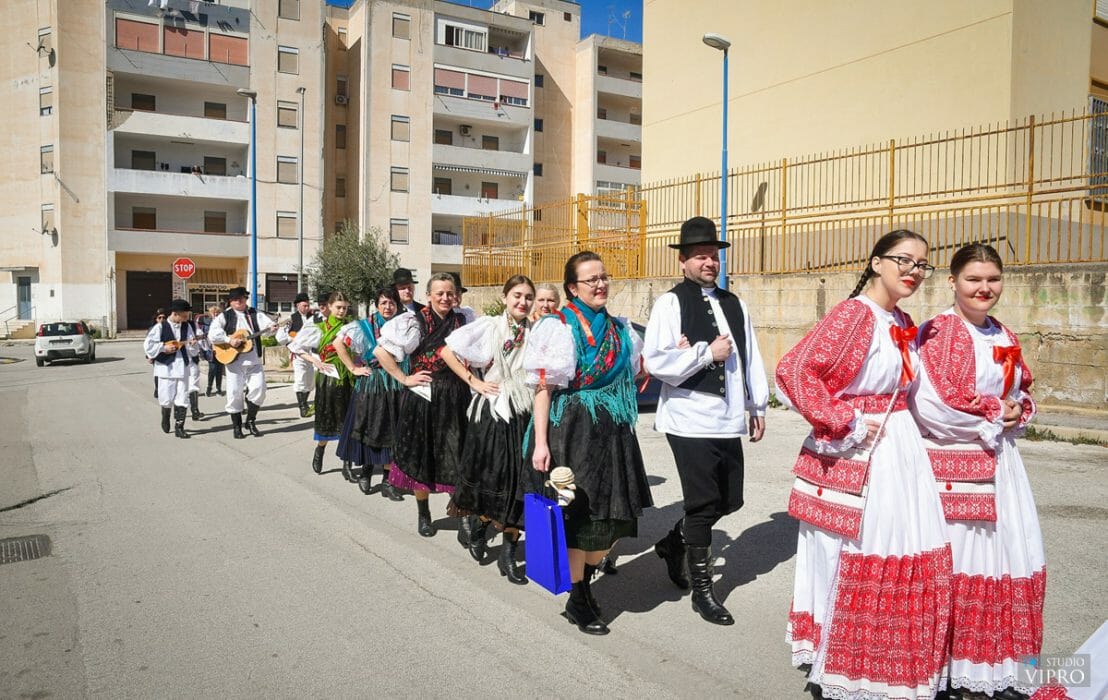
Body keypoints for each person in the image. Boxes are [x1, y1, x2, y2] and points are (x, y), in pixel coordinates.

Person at [775, 230, 952, 699]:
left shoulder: (902, 320)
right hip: (863, 448)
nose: (913, 271)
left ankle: (884, 656)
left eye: (922, 264)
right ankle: (844, 661)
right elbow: (794, 371)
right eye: (903, 260)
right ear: (876, 263)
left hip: (901, 448)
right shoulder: (855, 313)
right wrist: (843, 419)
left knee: (903, 546)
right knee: (862, 548)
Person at [910, 243, 1043, 700]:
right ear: (952, 282)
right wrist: (993, 414)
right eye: (973, 279)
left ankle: (996, 669)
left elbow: (1022, 387)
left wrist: (1018, 409)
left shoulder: (1003, 333)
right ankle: (952, 670)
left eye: (993, 279)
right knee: (964, 563)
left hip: (1002, 463)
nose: (984, 288)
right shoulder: (938, 332)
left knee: (1007, 557)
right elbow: (931, 405)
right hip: (955, 465)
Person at [642, 216, 769, 626]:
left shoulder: (735, 303)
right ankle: (702, 591)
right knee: (701, 504)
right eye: (700, 256)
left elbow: (750, 355)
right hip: (688, 419)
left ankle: (672, 543)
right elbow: (656, 361)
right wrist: (704, 353)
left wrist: (757, 405)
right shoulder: (670, 303)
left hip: (728, 417)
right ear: (683, 262)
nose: (709, 262)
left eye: (713, 255)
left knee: (730, 501)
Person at [523, 251, 652, 635]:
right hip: (572, 430)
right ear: (573, 288)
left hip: (612, 433)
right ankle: (579, 597)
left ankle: (584, 581)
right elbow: (543, 389)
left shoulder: (620, 329)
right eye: (591, 279)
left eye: (604, 277)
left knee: (608, 520)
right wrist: (540, 443)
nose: (600, 284)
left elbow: (638, 371)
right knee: (579, 518)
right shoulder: (557, 327)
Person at [441, 274, 536, 584]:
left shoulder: (535, 331)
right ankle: (480, 523)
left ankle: (508, 553)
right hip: (493, 411)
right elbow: (447, 352)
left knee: (520, 483)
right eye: (517, 295)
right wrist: (474, 381)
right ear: (505, 297)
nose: (523, 302)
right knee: (492, 478)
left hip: (523, 411)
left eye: (528, 297)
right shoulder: (489, 326)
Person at [374, 272, 469, 537]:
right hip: (423, 398)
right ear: (428, 295)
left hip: (456, 397)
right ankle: (423, 512)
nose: (445, 298)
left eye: (450, 293)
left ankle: (462, 512)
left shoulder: (464, 319)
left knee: (457, 455)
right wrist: (404, 378)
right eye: (440, 293)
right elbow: (381, 352)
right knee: (421, 457)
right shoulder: (413, 322)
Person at [334, 286, 406, 500]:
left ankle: (387, 481)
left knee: (392, 431)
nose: (388, 306)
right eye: (383, 302)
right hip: (371, 384)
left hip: (394, 384)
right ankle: (366, 471)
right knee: (368, 427)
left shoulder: (402, 325)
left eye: (392, 303)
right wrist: (352, 368)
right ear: (376, 305)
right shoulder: (363, 326)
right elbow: (338, 343)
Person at [288, 292, 355, 478]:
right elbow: (295, 347)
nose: (341, 311)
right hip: (328, 379)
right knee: (327, 418)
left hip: (348, 378)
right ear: (330, 307)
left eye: (345, 308)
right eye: (338, 307)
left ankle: (347, 464)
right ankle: (320, 449)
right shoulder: (318, 327)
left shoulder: (351, 326)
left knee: (348, 421)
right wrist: (315, 361)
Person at [207, 286, 276, 439]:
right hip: (234, 361)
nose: (239, 301)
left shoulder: (255, 314)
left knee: (259, 390)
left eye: (241, 298)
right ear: (230, 301)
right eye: (235, 299)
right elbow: (212, 335)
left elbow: (268, 329)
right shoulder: (224, 316)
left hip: (254, 359)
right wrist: (229, 340)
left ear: (246, 299)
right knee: (234, 393)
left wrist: (272, 328)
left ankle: (250, 421)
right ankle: (236, 427)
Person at [144, 299, 200, 439]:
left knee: (182, 397)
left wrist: (193, 345)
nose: (186, 318)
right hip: (166, 368)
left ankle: (179, 427)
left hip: (182, 367)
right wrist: (163, 347)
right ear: (175, 314)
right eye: (184, 315)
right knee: (166, 398)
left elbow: (193, 350)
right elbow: (148, 346)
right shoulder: (160, 327)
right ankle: (165, 416)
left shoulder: (187, 326)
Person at [276, 292, 321, 417]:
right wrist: (293, 338)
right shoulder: (290, 319)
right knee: (301, 378)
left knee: (311, 380)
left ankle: (305, 402)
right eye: (304, 305)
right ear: (297, 305)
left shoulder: (314, 317)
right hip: (298, 353)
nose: (306, 308)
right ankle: (302, 406)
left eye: (308, 305)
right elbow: (280, 338)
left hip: (312, 352)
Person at [200, 305, 225, 397]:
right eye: (214, 312)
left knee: (220, 370)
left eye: (217, 312)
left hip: (221, 349)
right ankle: (209, 388)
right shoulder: (207, 323)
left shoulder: (223, 323)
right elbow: (203, 336)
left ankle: (219, 389)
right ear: (210, 313)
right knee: (212, 369)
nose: (216, 314)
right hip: (211, 349)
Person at [150, 308, 167, 398]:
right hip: (156, 354)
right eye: (159, 318)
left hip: (167, 353)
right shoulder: (152, 329)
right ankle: (157, 389)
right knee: (158, 373)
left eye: (163, 317)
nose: (162, 319)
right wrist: (149, 356)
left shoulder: (168, 328)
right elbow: (149, 344)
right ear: (156, 319)